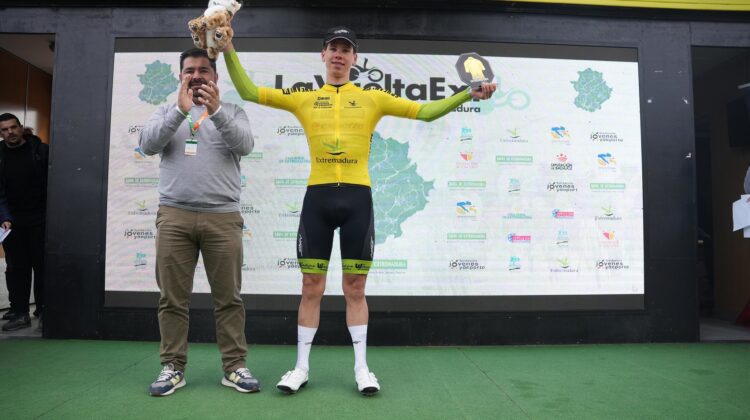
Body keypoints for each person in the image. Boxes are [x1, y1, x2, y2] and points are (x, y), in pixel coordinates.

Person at [222, 27, 496, 396]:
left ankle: (362, 369)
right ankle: (301, 368)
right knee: (310, 286)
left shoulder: (373, 99)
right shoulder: (304, 99)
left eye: (345, 49)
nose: (339, 54)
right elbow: (248, 91)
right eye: (333, 48)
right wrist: (228, 47)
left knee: (356, 287)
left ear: (355, 59)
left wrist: (467, 93)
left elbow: (426, 112)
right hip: (318, 200)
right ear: (323, 55)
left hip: (357, 201)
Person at [139, 48, 258, 396]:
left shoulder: (232, 111)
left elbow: (245, 145)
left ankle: (234, 367)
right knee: (172, 300)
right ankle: (172, 367)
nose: (196, 75)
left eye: (203, 70)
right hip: (174, 216)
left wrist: (216, 111)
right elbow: (147, 145)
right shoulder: (167, 111)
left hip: (223, 217)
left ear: (215, 77)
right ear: (180, 76)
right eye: (189, 70)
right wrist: (180, 110)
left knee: (229, 298)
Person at [0, 113, 48, 332]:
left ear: (21, 127)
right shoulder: (0, 155)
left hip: (40, 219)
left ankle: (44, 311)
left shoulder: (40, 151)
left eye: (13, 127)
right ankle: (20, 313)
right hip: (12, 222)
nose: (10, 132)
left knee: (42, 267)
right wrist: (4, 217)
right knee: (17, 269)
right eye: (4, 130)